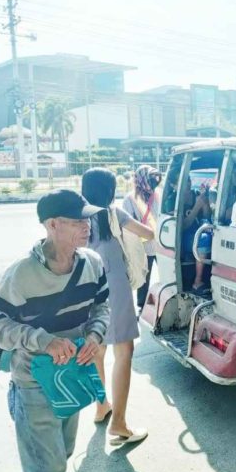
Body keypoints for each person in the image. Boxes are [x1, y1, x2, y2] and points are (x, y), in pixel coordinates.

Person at [0, 189, 109, 472]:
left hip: (72, 374)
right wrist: (43, 341)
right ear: (52, 225)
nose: (87, 226)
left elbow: (102, 305)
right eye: (77, 221)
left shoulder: (92, 263)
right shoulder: (20, 275)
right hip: (34, 384)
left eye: (88, 220)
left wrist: (95, 335)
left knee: (62, 454)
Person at [81, 168, 154, 445]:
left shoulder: (78, 217)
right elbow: (148, 234)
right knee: (124, 350)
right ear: (110, 191)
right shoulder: (113, 214)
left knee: (97, 347)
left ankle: (102, 405)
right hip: (114, 286)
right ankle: (119, 423)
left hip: (86, 288)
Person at [122, 165, 161, 308]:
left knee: (167, 275)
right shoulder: (130, 199)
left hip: (160, 243)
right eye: (151, 178)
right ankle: (142, 305)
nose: (155, 182)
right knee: (143, 277)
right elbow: (128, 224)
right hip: (142, 245)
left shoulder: (158, 195)